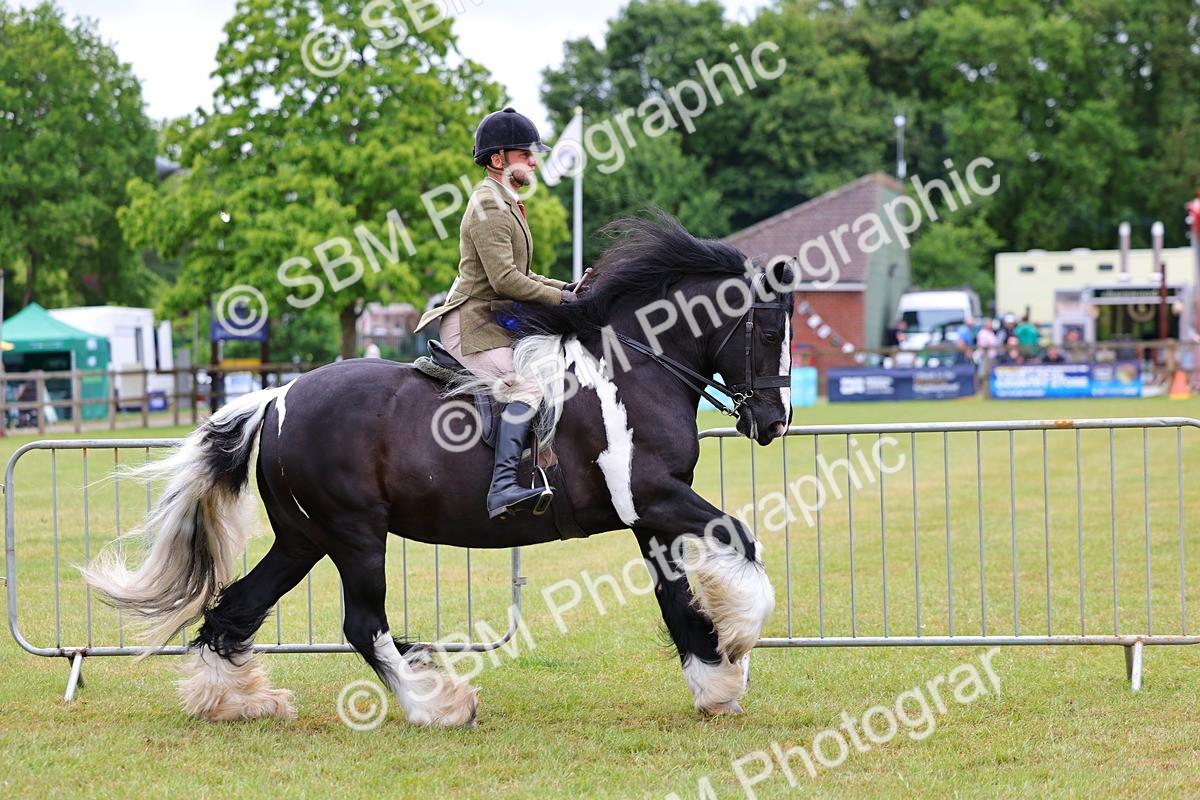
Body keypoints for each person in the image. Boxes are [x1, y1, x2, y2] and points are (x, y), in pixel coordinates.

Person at [415, 107, 573, 520]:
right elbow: (505, 281)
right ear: (499, 160)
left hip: (493, 321)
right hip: (471, 326)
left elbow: (524, 274)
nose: (535, 161)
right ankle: (503, 486)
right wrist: (561, 301)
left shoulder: (507, 202)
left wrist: (569, 289)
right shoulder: (488, 204)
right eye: (526, 154)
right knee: (527, 388)